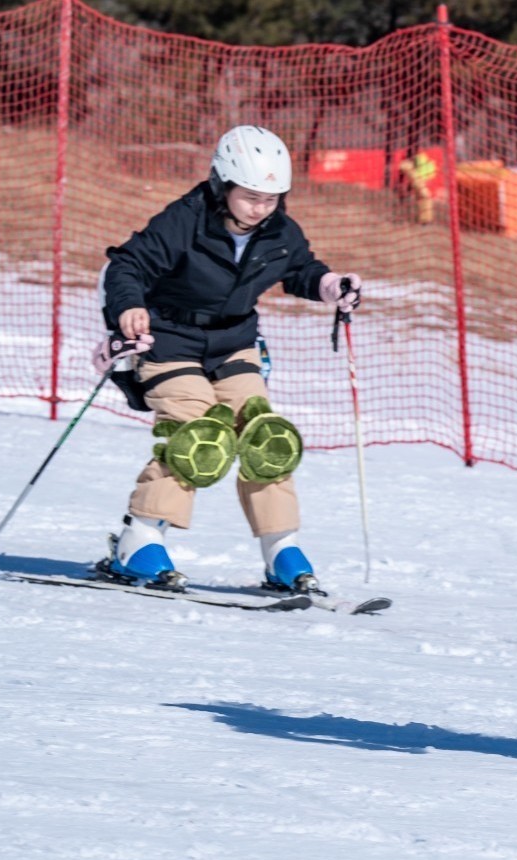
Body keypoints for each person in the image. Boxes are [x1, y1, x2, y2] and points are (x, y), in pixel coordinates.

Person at [93, 125, 363, 593]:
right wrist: (128, 307)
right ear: (222, 184)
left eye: (272, 198)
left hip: (233, 344)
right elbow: (126, 265)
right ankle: (137, 542)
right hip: (168, 339)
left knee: (266, 437)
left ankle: (282, 551)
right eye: (251, 196)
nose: (261, 208)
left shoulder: (279, 229)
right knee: (198, 432)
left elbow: (299, 267)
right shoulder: (185, 220)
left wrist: (329, 286)